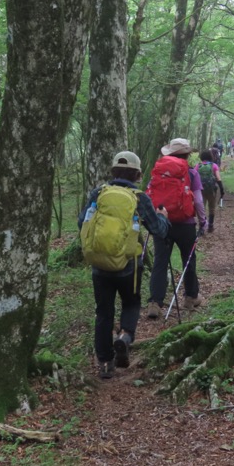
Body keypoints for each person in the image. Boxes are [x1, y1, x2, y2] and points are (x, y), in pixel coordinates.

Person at [78, 151, 170, 379]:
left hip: (99, 263)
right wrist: (163, 217)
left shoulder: (99, 192)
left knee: (103, 312)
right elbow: (158, 229)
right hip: (129, 266)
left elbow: (82, 222)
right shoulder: (139, 197)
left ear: (113, 172)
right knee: (131, 303)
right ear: (137, 174)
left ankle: (105, 363)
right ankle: (125, 338)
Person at [147, 138, 208, 319]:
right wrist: (203, 220)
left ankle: (155, 303)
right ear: (187, 155)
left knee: (160, 261)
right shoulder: (191, 173)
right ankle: (191, 297)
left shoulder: (158, 172)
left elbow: (150, 196)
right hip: (186, 223)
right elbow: (197, 200)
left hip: (162, 223)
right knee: (188, 259)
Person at [196, 149, 224, 233]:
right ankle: (210, 226)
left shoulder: (198, 166)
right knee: (212, 207)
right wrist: (222, 190)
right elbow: (218, 179)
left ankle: (202, 226)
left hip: (200, 189)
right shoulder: (214, 165)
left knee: (202, 208)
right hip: (211, 190)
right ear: (210, 156)